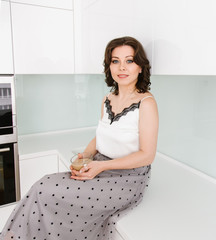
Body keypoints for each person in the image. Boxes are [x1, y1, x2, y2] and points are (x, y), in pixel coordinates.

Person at [0, 36, 159, 240]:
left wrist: (100, 167)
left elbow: (147, 155)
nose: (122, 67)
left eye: (129, 60)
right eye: (115, 61)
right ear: (109, 66)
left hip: (128, 177)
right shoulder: (107, 99)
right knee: (42, 186)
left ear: (140, 67)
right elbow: (101, 136)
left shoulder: (146, 103)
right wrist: (86, 154)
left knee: (47, 190)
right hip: (100, 165)